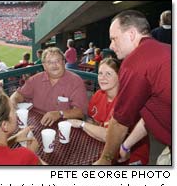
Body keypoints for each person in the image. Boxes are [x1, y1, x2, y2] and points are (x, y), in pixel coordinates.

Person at [94, 10, 171, 165]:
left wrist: (106, 159)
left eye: (114, 39)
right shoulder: (166, 49)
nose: (111, 45)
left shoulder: (135, 62)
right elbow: (150, 115)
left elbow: (120, 122)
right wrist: (126, 145)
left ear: (131, 35)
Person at [68, 58, 149, 165]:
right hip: (105, 149)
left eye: (108, 74)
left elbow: (110, 136)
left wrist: (81, 124)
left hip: (131, 157)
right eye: (100, 73)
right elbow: (94, 122)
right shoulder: (98, 95)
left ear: (120, 76)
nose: (102, 78)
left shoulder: (127, 101)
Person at [10, 47, 88, 126]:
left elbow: (80, 112)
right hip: (37, 122)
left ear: (64, 62)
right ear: (44, 66)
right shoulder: (35, 79)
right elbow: (19, 94)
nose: (54, 65)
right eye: (49, 62)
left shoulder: (76, 81)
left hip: (64, 125)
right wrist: (12, 102)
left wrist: (60, 113)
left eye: (57, 61)